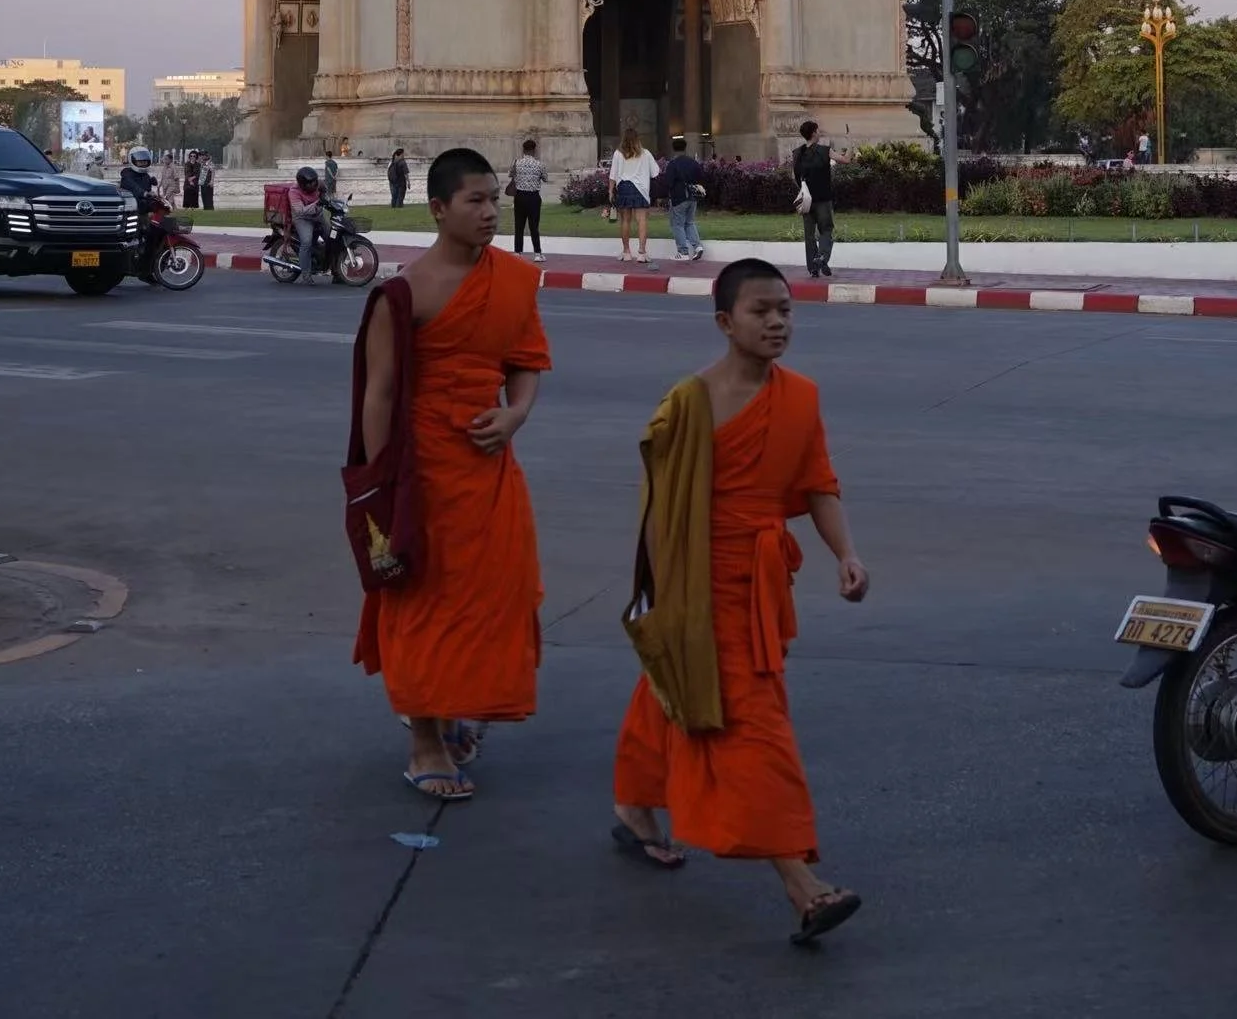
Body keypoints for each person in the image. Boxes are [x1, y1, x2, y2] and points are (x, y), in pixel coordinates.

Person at [612, 258, 869, 945]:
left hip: (757, 583)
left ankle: (635, 806)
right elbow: (658, 509)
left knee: (672, 686)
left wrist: (844, 553)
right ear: (726, 322)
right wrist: (667, 600)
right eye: (761, 311)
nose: (777, 321)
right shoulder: (688, 402)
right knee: (749, 725)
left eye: (785, 308)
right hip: (697, 582)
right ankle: (802, 885)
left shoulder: (800, 397)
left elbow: (817, 482)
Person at [354, 147, 550, 799]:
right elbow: (378, 394)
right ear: (439, 208)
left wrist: (515, 414)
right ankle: (423, 740)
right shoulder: (402, 292)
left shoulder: (515, 279)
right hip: (422, 472)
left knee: (496, 596)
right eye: (475, 200)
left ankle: (455, 707)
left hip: (490, 466)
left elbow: (525, 360)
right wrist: (381, 488)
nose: (491, 210)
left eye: (495, 198)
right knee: (425, 601)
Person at [609, 126, 658, 266]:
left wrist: (611, 191)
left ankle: (626, 252)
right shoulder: (645, 153)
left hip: (624, 187)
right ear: (638, 139)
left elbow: (613, 175)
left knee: (625, 220)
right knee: (641, 220)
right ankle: (642, 253)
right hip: (641, 190)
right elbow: (655, 172)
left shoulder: (618, 154)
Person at [791, 120, 835, 278]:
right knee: (826, 229)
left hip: (807, 200)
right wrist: (850, 149)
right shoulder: (824, 151)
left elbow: (795, 176)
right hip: (823, 198)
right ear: (814, 133)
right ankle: (822, 257)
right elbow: (845, 160)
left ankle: (813, 268)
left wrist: (803, 190)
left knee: (809, 235)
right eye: (818, 130)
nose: (819, 132)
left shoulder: (797, 153)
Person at [120, 145, 167, 282]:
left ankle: (147, 269)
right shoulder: (126, 174)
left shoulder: (146, 176)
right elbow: (132, 187)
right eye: (139, 161)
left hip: (144, 211)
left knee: (153, 238)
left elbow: (149, 192)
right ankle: (142, 270)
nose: (142, 163)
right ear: (132, 160)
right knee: (139, 239)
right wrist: (144, 193)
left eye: (144, 161)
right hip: (131, 213)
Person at [663, 135, 705, 261]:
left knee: (677, 224)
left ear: (673, 149)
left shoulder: (673, 164)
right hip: (693, 197)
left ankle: (683, 252)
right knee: (690, 222)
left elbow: (669, 182)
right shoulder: (693, 162)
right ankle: (697, 247)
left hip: (679, 197)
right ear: (685, 148)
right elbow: (701, 178)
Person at [509, 138, 548, 262]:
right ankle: (537, 253)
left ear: (523, 150)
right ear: (534, 150)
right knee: (534, 226)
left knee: (519, 225)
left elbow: (511, 174)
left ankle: (517, 252)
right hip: (533, 198)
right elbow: (545, 178)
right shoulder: (539, 164)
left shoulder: (516, 162)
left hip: (519, 197)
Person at [288, 165, 324, 285]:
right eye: (311, 183)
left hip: (318, 216)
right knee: (307, 242)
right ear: (303, 184)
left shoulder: (319, 185)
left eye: (315, 181)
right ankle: (306, 275)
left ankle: (337, 272)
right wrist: (318, 203)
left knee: (332, 236)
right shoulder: (293, 192)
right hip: (303, 219)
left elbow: (328, 194)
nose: (314, 185)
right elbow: (301, 211)